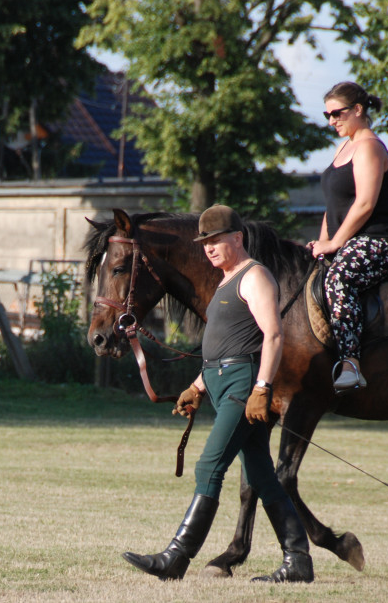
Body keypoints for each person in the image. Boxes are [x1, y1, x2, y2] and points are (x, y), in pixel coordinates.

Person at [122, 204, 313, 584]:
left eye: (216, 240)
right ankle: (298, 561)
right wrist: (196, 386)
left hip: (243, 386)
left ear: (237, 238)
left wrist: (262, 387)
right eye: (204, 242)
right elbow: (223, 346)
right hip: (221, 381)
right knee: (261, 475)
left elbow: (273, 336)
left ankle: (176, 558)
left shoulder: (254, 276)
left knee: (209, 467)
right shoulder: (226, 281)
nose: (208, 248)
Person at [308, 81, 388, 393]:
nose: (331, 121)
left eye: (337, 113)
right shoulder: (343, 147)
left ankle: (351, 364)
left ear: (358, 110)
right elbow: (333, 206)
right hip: (348, 240)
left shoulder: (369, 147)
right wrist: (321, 244)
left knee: (339, 279)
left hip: (380, 240)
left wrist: (335, 244)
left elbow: (364, 203)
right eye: (326, 115)